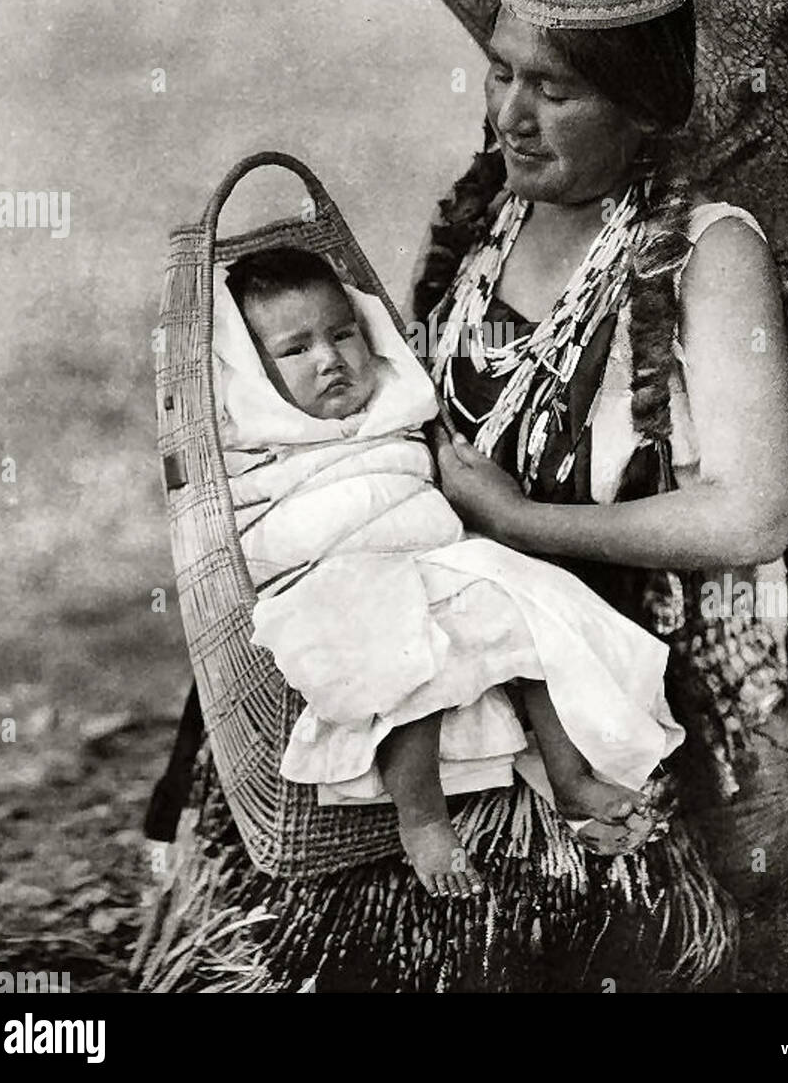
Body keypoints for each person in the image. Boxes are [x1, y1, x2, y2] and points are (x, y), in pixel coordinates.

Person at [137, 0, 788, 994]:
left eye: (552, 88)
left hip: (587, 640)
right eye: (501, 70)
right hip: (433, 595)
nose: (510, 113)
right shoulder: (489, 217)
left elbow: (755, 511)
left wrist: (518, 520)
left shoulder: (706, 251)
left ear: (642, 101)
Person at [213, 245, 683, 898]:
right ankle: (423, 817)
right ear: (251, 371)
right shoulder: (253, 438)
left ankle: (571, 781)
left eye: (343, 334)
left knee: (535, 611)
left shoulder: (394, 404)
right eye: (295, 350)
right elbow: (255, 530)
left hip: (435, 557)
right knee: (410, 656)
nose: (329, 358)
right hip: (341, 582)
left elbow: (428, 479)